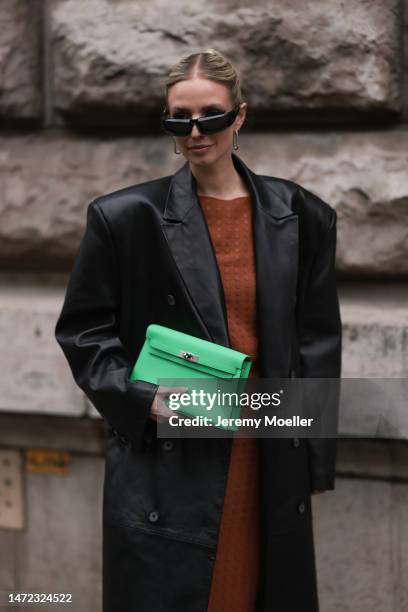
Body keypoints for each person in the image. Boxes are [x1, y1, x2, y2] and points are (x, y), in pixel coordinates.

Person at [55, 48, 342, 612]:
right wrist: (143, 398)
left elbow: (317, 341)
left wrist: (314, 460)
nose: (194, 132)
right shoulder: (124, 217)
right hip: (173, 458)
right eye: (177, 119)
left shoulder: (302, 214)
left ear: (239, 116)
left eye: (209, 115)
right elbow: (84, 333)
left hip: (267, 449)